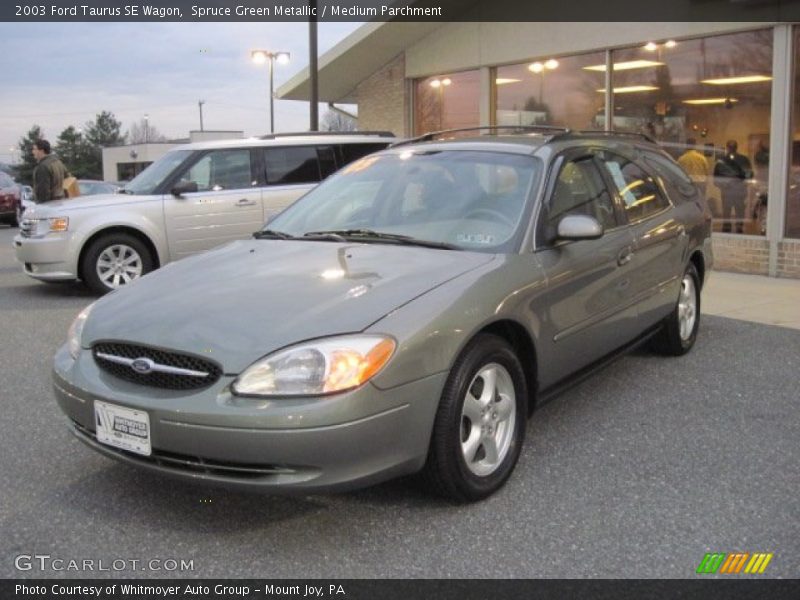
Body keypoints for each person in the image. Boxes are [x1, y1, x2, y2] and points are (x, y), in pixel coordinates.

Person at [713, 140, 753, 234]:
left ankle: (729, 227)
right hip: (736, 191)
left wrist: (724, 185)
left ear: (727, 148)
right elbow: (749, 175)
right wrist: (741, 184)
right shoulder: (743, 159)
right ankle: (736, 227)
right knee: (738, 211)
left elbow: (716, 179)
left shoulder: (721, 161)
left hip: (730, 191)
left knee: (729, 211)